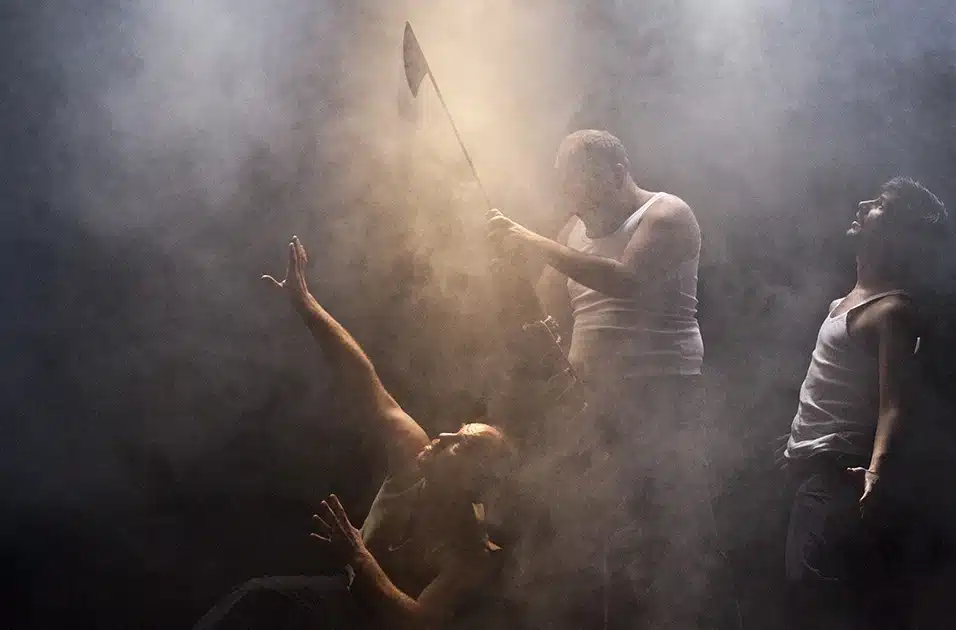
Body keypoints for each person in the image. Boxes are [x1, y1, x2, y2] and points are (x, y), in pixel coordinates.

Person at [194, 236, 513, 630]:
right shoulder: (412, 451)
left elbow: (418, 624)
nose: (443, 437)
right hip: (348, 597)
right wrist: (305, 305)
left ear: (472, 479)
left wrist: (358, 555)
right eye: (456, 431)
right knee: (257, 602)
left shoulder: (468, 554)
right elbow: (363, 380)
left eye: (460, 445)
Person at [487, 129, 714, 630]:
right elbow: (544, 306)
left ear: (617, 172)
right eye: (567, 184)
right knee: (603, 534)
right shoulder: (573, 231)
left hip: (659, 398)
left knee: (658, 534)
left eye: (582, 182)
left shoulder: (665, 214)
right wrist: (513, 270)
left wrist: (533, 242)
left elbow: (623, 280)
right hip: (593, 402)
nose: (573, 196)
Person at [780, 176, 948, 629]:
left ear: (899, 235)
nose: (861, 204)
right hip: (812, 465)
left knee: (816, 599)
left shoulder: (893, 310)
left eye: (880, 205)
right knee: (804, 594)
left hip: (842, 471)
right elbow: (833, 386)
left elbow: (894, 403)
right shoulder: (843, 301)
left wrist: (876, 472)